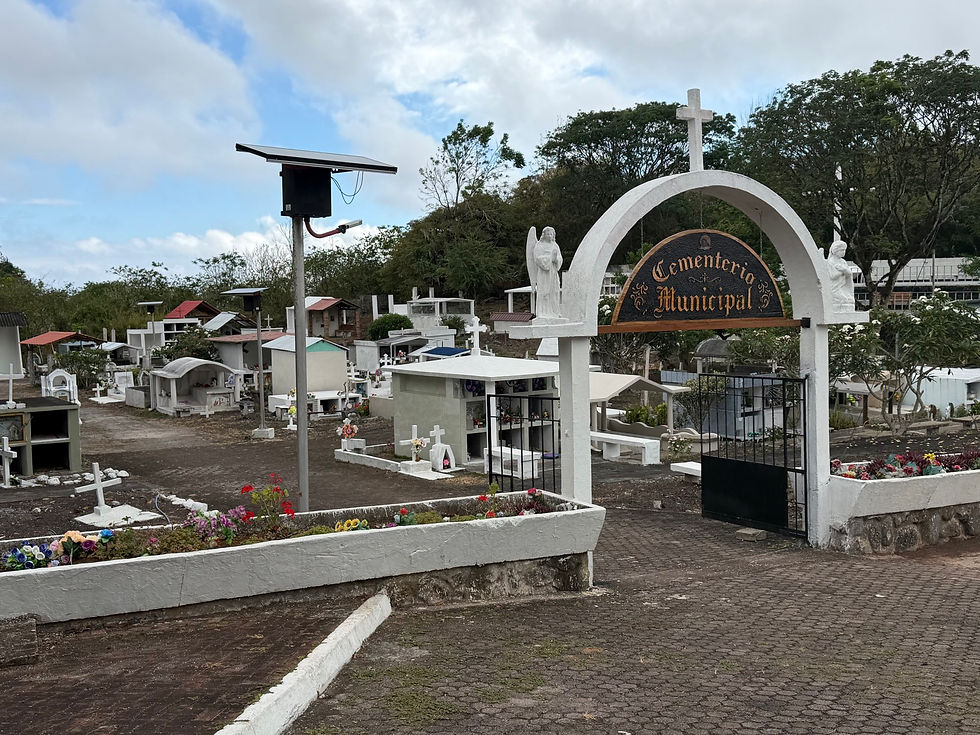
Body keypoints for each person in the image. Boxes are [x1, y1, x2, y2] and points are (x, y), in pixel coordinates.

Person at [527, 226, 563, 318]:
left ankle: (555, 312)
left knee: (554, 291)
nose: (550, 236)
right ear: (544, 235)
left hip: (553, 272)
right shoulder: (539, 245)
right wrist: (549, 258)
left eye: (551, 234)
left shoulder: (555, 245)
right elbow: (537, 258)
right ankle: (543, 312)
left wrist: (556, 260)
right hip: (544, 273)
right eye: (548, 234)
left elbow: (559, 258)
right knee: (544, 291)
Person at [826, 240, 855, 311]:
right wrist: (842, 272)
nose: (844, 252)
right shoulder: (830, 262)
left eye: (844, 250)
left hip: (843, 286)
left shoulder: (843, 262)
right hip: (834, 287)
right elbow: (832, 276)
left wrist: (844, 270)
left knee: (850, 300)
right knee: (843, 300)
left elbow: (849, 273)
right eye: (842, 250)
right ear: (836, 251)